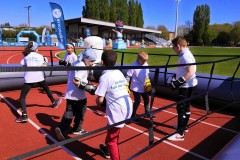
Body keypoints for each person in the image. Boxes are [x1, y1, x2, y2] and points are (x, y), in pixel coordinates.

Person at [95, 50, 133, 160]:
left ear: (102, 62)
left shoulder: (105, 76)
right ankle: (107, 150)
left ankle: (111, 150)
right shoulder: (118, 72)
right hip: (127, 105)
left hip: (118, 110)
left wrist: (96, 96)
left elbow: (100, 100)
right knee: (113, 133)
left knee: (112, 141)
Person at [55, 48, 97, 141]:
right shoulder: (82, 66)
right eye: (91, 61)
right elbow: (76, 80)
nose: (92, 64)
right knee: (80, 112)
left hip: (71, 94)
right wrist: (89, 88)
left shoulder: (79, 62)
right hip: (77, 95)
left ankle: (62, 128)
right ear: (86, 59)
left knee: (70, 112)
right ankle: (75, 128)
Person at [16, 41, 62, 123]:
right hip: (39, 77)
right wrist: (45, 62)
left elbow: (22, 65)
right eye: (38, 48)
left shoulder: (26, 56)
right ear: (36, 49)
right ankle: (54, 103)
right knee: (47, 89)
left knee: (22, 97)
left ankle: (24, 116)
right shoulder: (40, 56)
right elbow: (43, 66)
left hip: (29, 78)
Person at [167, 36, 198, 141]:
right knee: (186, 106)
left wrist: (176, 83)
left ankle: (180, 133)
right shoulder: (185, 54)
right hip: (188, 84)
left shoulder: (185, 56)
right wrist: (175, 77)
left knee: (181, 108)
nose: (173, 49)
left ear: (178, 46)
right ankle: (184, 126)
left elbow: (191, 71)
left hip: (185, 86)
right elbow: (185, 70)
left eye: (173, 47)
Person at [126, 51, 155, 123]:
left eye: (145, 61)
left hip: (143, 86)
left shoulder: (146, 64)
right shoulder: (134, 65)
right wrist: (126, 85)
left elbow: (147, 75)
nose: (144, 62)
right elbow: (128, 76)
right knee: (137, 101)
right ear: (138, 59)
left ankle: (147, 112)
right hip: (135, 87)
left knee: (146, 99)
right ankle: (132, 116)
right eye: (143, 61)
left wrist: (148, 82)